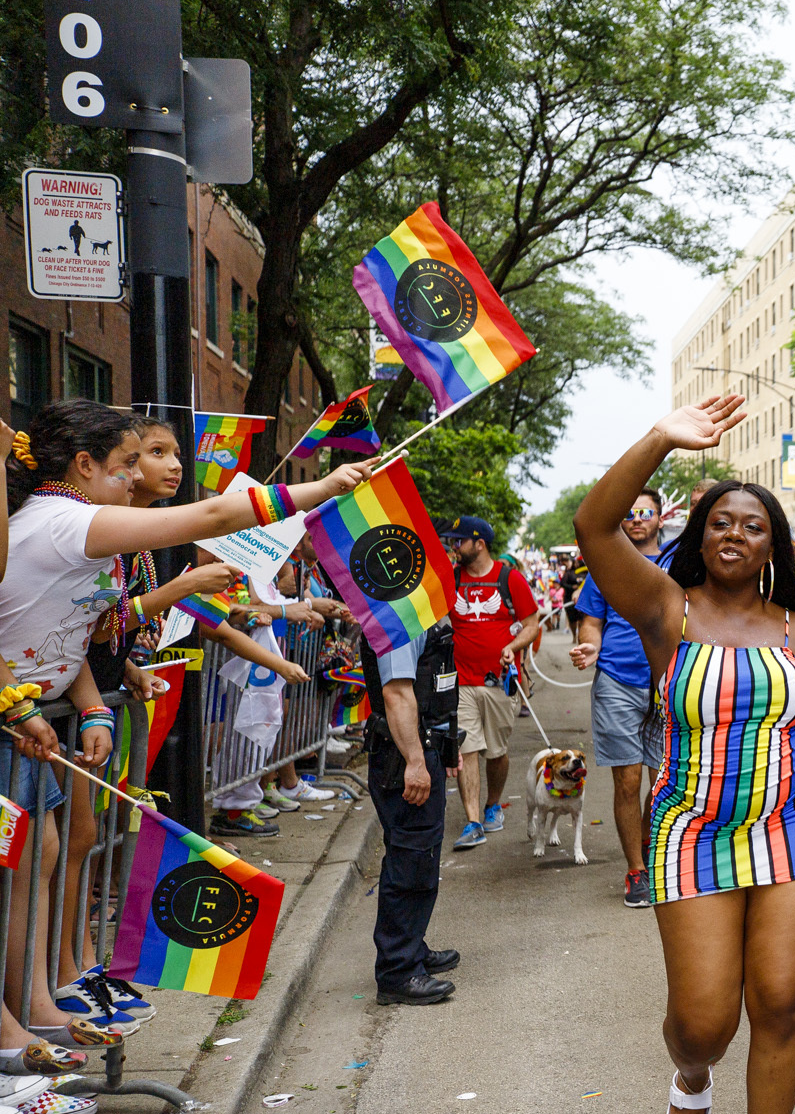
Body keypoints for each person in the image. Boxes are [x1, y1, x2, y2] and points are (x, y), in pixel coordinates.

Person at [574, 396, 795, 1114]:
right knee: (706, 1018)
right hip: (693, 831)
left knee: (780, 999)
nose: (735, 534)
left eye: (752, 524)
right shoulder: (666, 610)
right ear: (702, 536)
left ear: (773, 543)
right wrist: (662, 439)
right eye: (720, 523)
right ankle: (693, 1071)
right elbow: (595, 527)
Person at [0, 399, 366, 1056]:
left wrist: (89, 707)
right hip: (15, 730)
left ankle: (33, 1008)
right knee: (26, 865)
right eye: (125, 466)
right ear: (84, 466)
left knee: (46, 855)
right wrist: (322, 487)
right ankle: (17, 1028)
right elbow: (213, 515)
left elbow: (68, 637)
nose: (136, 480)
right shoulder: (63, 523)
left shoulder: (71, 522)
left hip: (34, 732)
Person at [569, 487, 668, 907]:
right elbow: (590, 622)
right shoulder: (604, 567)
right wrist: (589, 645)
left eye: (646, 511)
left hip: (672, 685)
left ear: (660, 518)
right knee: (627, 781)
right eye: (629, 511)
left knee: (666, 781)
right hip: (617, 681)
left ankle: (652, 842)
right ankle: (636, 870)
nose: (637, 517)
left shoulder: (681, 565)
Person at [363, 618, 462, 1005]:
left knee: (421, 856)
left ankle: (411, 949)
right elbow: (398, 694)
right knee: (410, 858)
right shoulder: (397, 619)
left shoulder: (415, 612)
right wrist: (416, 762)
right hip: (403, 755)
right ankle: (398, 971)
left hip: (421, 747)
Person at [445, 515, 541, 851]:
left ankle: (493, 804)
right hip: (461, 681)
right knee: (466, 747)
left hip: (500, 681)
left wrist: (512, 647)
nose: (454, 547)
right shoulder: (451, 579)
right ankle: (473, 822)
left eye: (459, 541)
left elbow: (531, 623)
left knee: (496, 752)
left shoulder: (508, 578)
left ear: (479, 543)